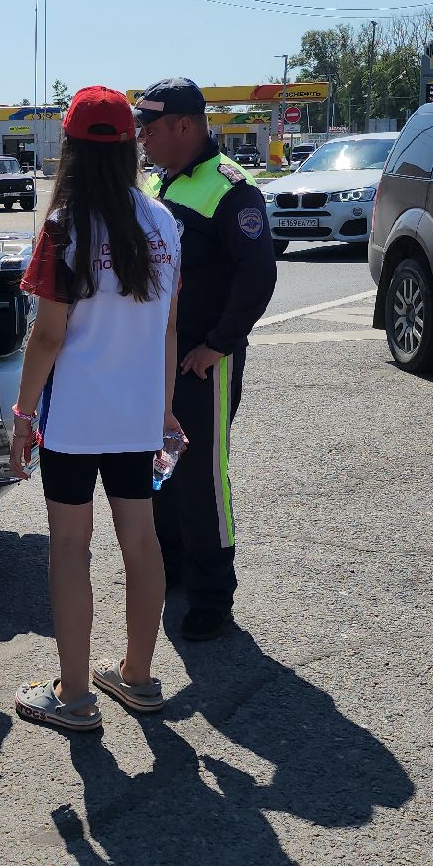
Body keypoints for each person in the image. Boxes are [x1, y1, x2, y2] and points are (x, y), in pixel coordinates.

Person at [8, 86, 183, 733]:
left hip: (76, 422)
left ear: (71, 150)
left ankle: (76, 694)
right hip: (136, 417)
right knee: (142, 541)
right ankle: (137, 675)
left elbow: (48, 337)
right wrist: (163, 411)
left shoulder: (65, 228)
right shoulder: (163, 223)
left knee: (71, 549)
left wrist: (23, 418)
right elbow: (168, 329)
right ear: (133, 145)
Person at [136, 77, 277, 642]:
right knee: (158, 468)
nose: (142, 136)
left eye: (150, 126)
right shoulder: (156, 181)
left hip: (202, 361)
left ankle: (212, 593)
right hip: (154, 360)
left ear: (185, 127)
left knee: (200, 475)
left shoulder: (231, 190)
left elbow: (258, 274)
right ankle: (171, 567)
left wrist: (219, 342)